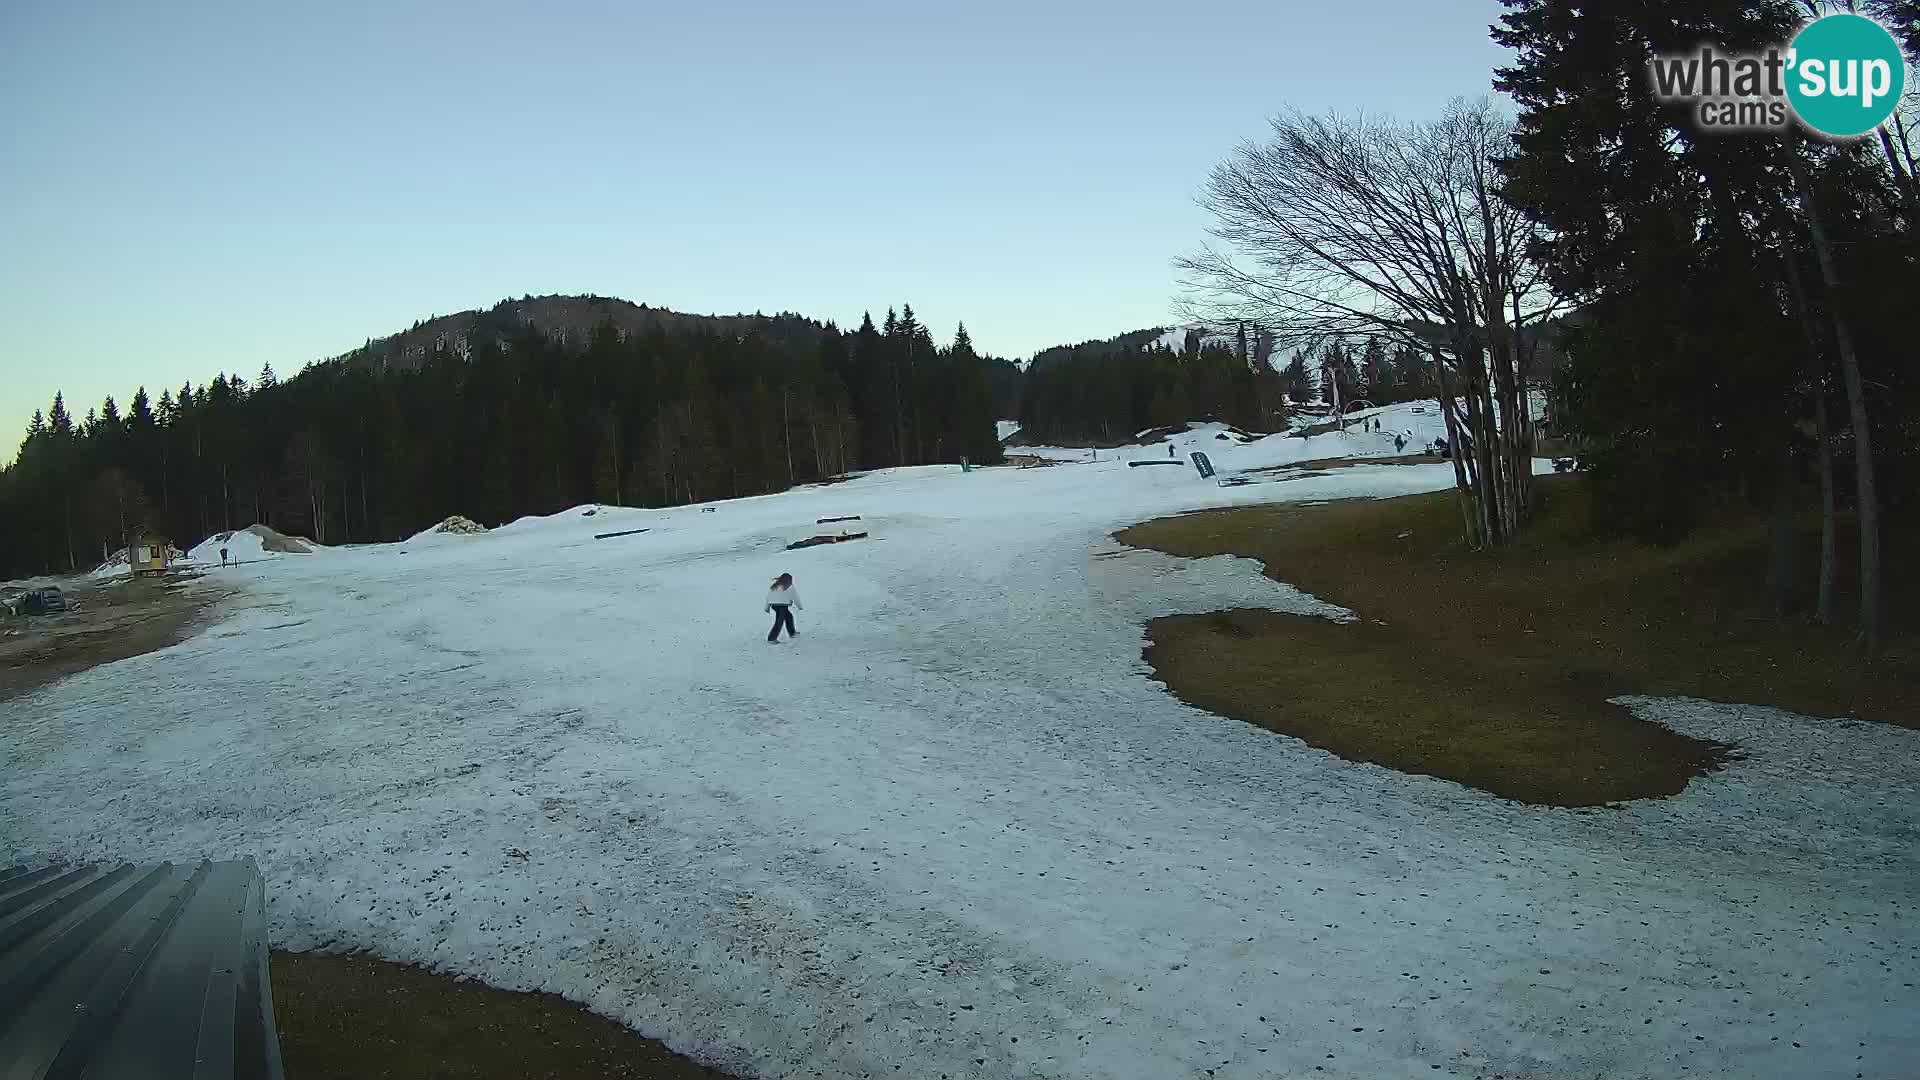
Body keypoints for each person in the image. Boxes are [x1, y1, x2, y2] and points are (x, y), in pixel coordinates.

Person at [766, 572, 802, 642]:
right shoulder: (789, 587)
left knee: (789, 616)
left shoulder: (774, 586)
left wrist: (766, 607)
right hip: (782, 606)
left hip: (774, 605)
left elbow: (768, 597)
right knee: (779, 621)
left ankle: (792, 633)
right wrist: (800, 606)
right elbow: (795, 597)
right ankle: (772, 639)